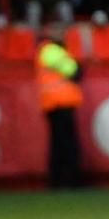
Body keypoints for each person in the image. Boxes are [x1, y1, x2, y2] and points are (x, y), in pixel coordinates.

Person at [37, 23, 83, 189]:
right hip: (57, 102)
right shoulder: (50, 50)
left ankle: (62, 179)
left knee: (61, 143)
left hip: (60, 102)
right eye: (57, 30)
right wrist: (76, 67)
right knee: (64, 144)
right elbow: (74, 71)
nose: (61, 33)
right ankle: (65, 180)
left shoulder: (53, 50)